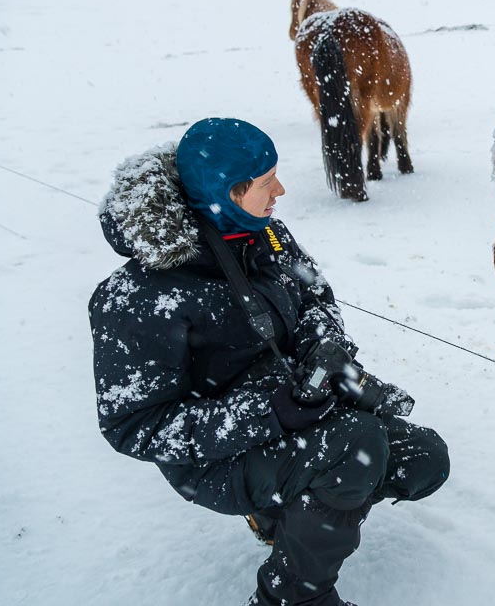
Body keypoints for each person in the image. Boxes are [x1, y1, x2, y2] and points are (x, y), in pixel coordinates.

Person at [89, 118, 449, 606]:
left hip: (299, 410)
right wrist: (268, 412)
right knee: (355, 446)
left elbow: (317, 297)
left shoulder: (267, 235)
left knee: (423, 459)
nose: (281, 190)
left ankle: (288, 509)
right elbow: (135, 427)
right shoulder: (140, 297)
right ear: (224, 194)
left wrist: (325, 346)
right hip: (215, 457)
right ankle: (291, 596)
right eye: (265, 183)